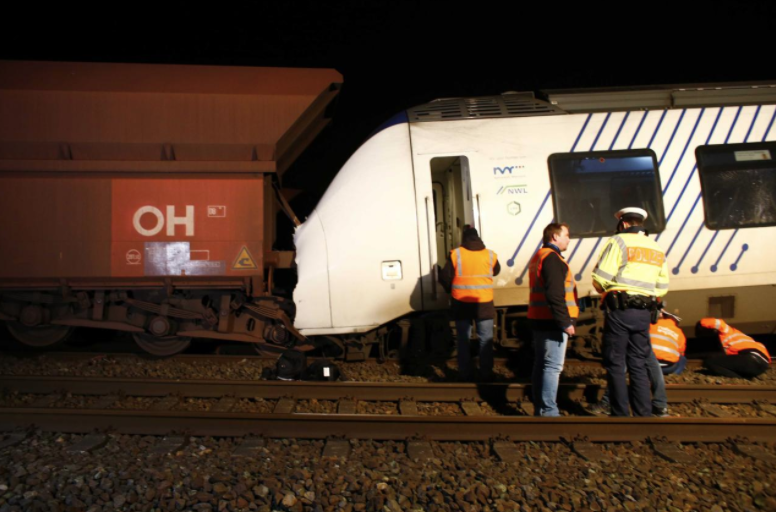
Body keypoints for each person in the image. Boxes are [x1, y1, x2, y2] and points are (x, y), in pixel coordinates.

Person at [591, 207, 669, 417]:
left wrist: (603, 290)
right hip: (644, 313)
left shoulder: (618, 242)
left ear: (624, 224)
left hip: (620, 311)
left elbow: (602, 277)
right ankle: (643, 414)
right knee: (638, 362)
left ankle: (620, 414)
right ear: (640, 223)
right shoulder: (656, 247)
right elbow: (662, 286)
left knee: (616, 362)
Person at [588, 311, 686, 416]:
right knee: (644, 364)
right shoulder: (677, 331)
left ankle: (609, 404)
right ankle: (658, 406)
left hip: (623, 313)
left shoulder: (655, 326)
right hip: (642, 315)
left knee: (620, 364)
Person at [527, 222, 578, 416]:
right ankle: (549, 411)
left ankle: (541, 408)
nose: (568, 238)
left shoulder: (539, 256)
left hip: (540, 318)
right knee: (552, 366)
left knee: (541, 364)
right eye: (566, 234)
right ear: (555, 237)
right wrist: (565, 322)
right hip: (552, 321)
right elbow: (555, 295)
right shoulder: (552, 259)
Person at [439, 227, 500, 381]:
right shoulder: (490, 254)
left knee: (463, 339)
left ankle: (465, 373)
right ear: (478, 238)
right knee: (485, 339)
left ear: (463, 239)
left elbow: (445, 276)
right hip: (484, 303)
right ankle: (486, 373)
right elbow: (496, 270)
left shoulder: (456, 254)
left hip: (461, 303)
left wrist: (450, 289)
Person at [698, 318, 771, 379]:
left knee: (710, 362)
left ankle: (738, 378)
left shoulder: (726, 331)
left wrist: (701, 324)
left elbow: (719, 323)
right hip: (763, 365)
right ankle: (745, 376)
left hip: (751, 359)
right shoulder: (740, 335)